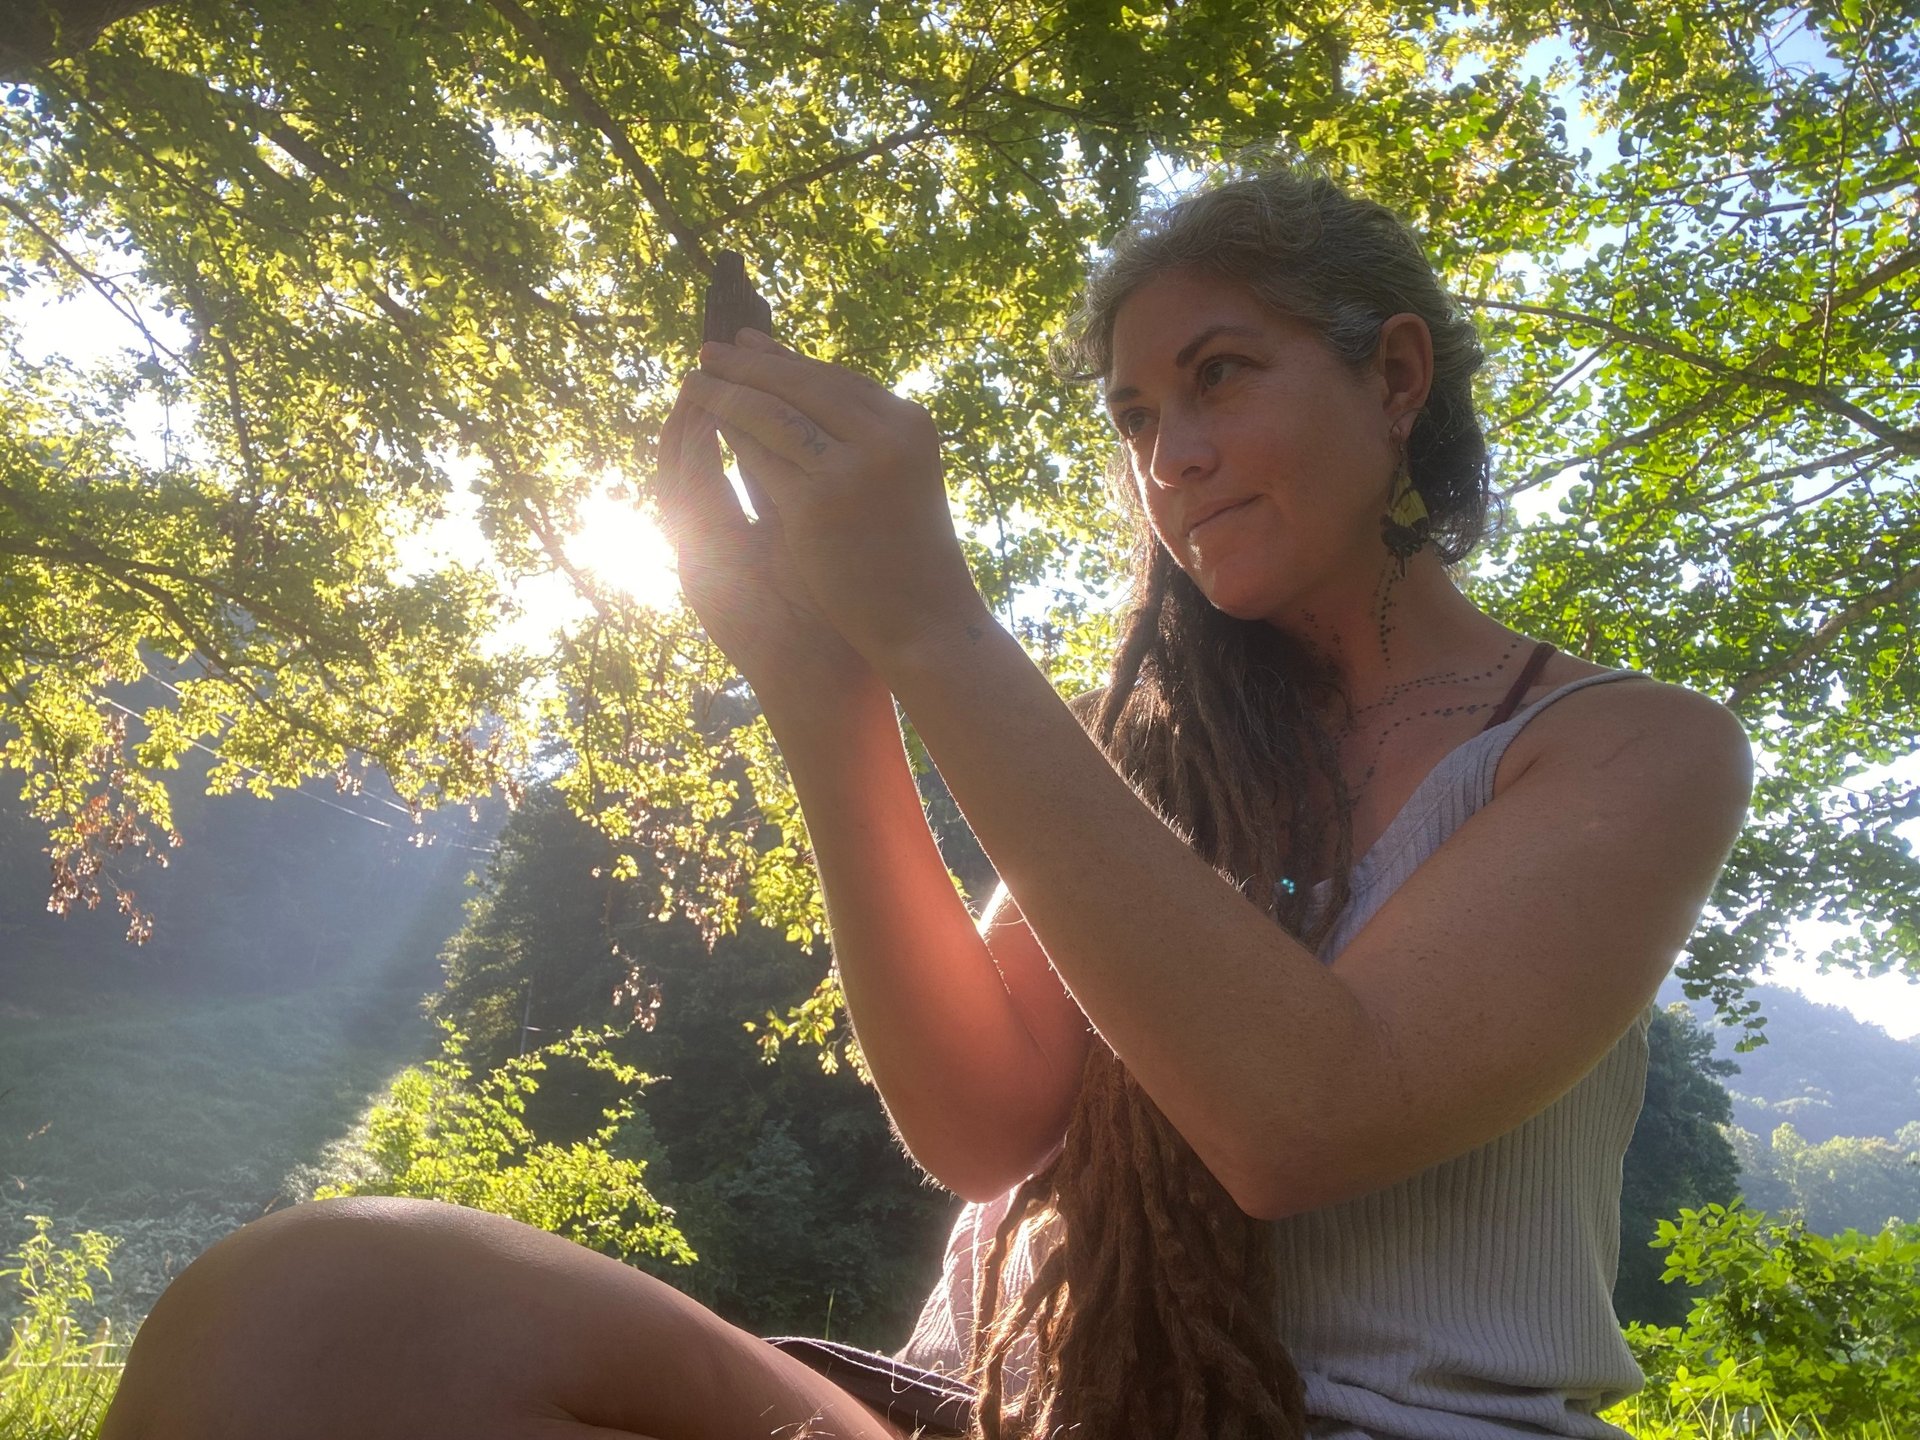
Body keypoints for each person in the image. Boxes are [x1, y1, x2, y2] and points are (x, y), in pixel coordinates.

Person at [97, 165, 1752, 1440]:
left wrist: (936, 625)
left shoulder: (1622, 751)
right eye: (1132, 414)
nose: (1167, 451)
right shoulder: (1145, 759)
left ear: (1397, 375)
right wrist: (827, 688)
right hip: (997, 1402)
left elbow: (1298, 1119)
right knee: (308, 1307)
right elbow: (977, 1125)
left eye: (1220, 372)